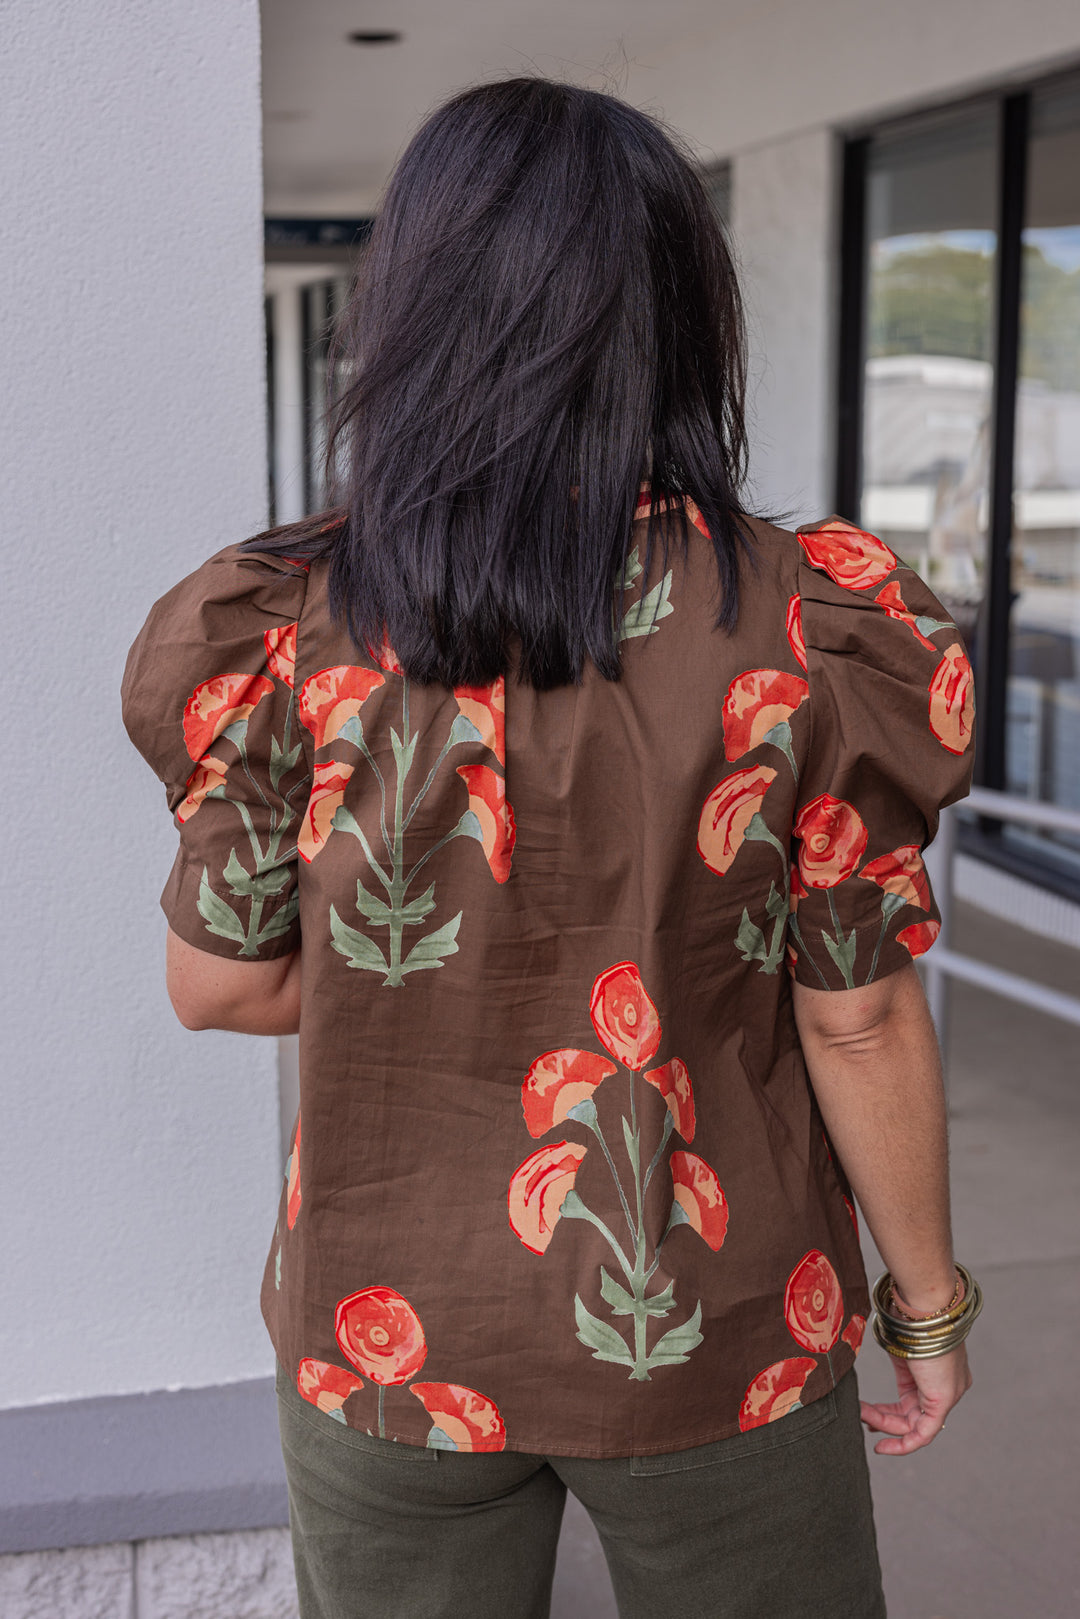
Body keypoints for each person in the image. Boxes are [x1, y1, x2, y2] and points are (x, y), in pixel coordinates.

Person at [122, 76, 980, 1619]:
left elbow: (217, 988)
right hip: (723, 1323)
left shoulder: (286, 625)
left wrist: (464, 976)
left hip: (392, 1324)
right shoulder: (810, 624)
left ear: (410, 309)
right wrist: (926, 1304)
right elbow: (853, 1011)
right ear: (680, 314)